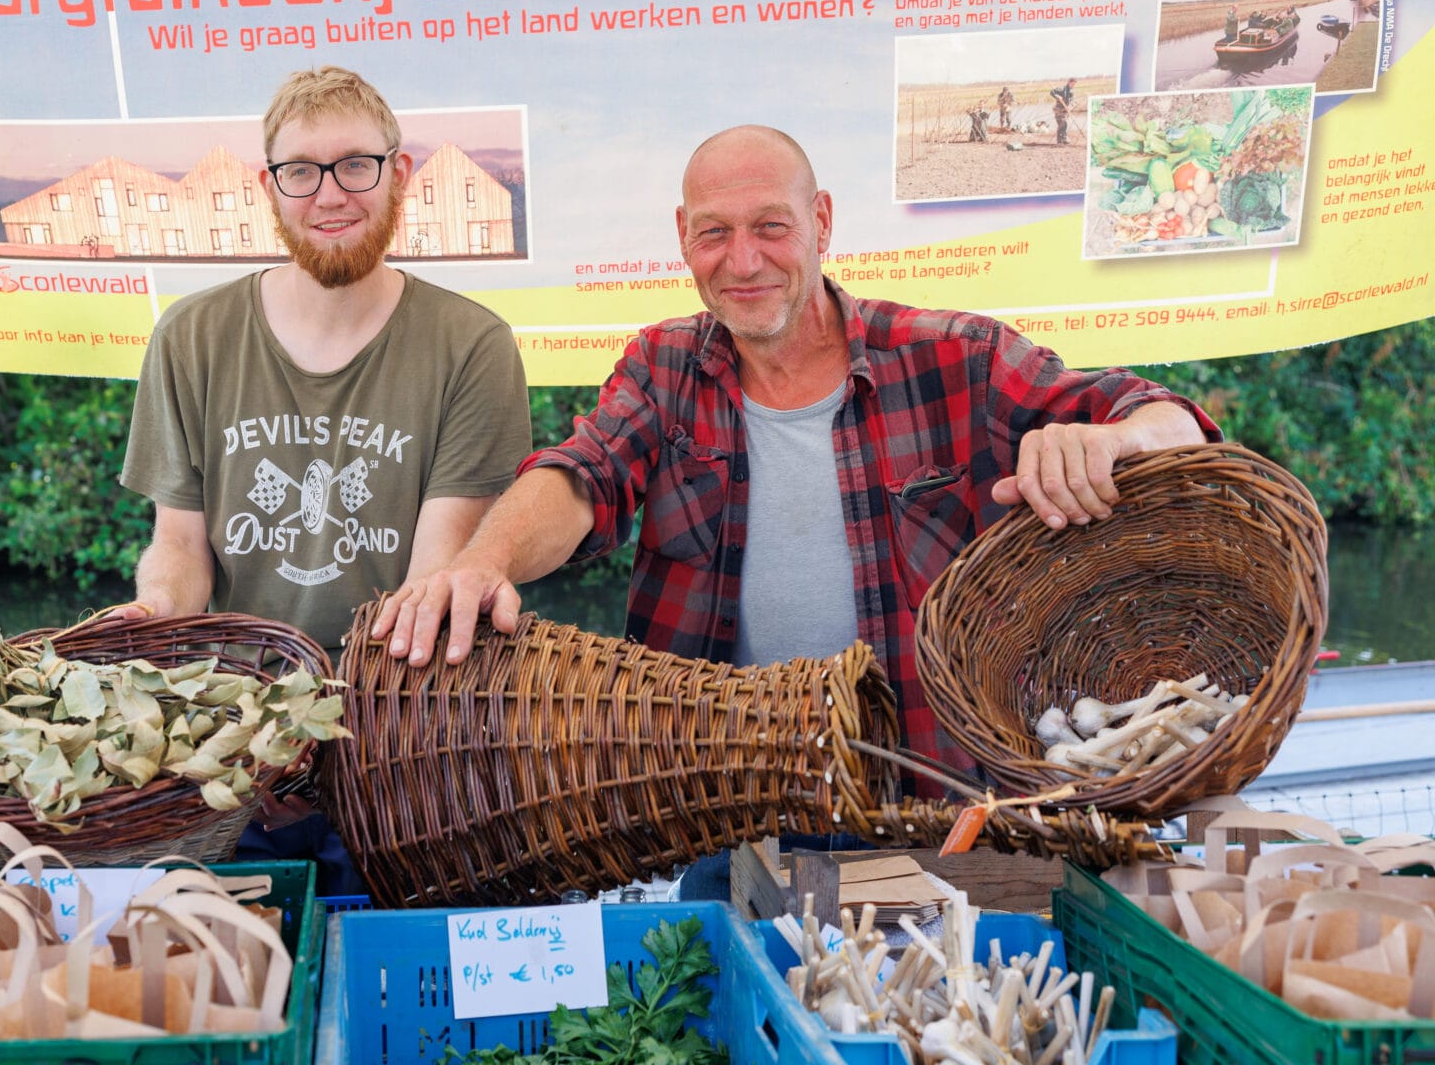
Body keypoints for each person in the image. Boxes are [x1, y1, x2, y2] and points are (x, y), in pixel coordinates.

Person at [374, 125, 1217, 779]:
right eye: (714, 233)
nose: (743, 262)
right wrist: (484, 562)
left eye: (770, 227)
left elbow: (1176, 426)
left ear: (820, 221)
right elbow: (585, 477)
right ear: (682, 235)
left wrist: (1106, 441)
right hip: (719, 800)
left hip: (936, 800)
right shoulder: (665, 365)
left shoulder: (957, 357)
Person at [120, 65, 531, 889]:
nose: (330, 193)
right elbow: (179, 546)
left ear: (399, 174)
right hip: (224, 760)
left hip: (399, 758)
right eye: (300, 171)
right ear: (269, 188)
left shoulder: (472, 345)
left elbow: (433, 580)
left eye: (355, 165)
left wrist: (312, 734)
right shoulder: (190, 338)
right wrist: (155, 618)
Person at [1050, 77, 1076, 145]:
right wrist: (1057, 96)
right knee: (1061, 124)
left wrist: (1070, 108)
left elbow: (1072, 101)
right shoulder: (1061, 89)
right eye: (1072, 84)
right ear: (1069, 82)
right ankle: (1059, 141)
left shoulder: (1071, 92)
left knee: (1065, 125)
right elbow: (1052, 92)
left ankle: (1064, 138)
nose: (1073, 86)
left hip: (1065, 110)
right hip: (1058, 110)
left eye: (1074, 85)